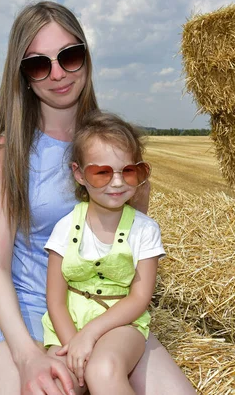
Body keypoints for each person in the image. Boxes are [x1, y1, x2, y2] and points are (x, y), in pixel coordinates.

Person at [0, 0, 195, 395]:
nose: (58, 74)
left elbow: (128, 249)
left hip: (105, 310)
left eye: (69, 56)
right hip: (27, 310)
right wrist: (28, 357)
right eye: (38, 64)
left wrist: (102, 332)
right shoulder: (7, 154)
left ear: (86, 58)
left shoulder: (116, 148)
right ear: (23, 75)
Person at [42, 111, 159, 395]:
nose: (117, 182)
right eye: (102, 172)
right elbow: (55, 301)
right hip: (67, 327)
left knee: (102, 368)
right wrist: (74, 345)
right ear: (79, 174)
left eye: (128, 171)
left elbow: (140, 297)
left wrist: (92, 334)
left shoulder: (145, 230)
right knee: (57, 386)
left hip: (122, 323)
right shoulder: (65, 227)